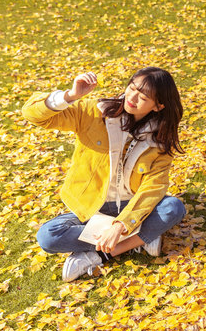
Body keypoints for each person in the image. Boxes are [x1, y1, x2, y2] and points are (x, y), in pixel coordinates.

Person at [22, 67, 187, 282]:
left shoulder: (160, 141)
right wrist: (71, 96)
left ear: (159, 106)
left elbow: (152, 188)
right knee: (48, 236)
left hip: (132, 205)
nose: (132, 98)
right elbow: (32, 115)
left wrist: (120, 226)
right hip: (93, 206)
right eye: (132, 88)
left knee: (173, 208)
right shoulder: (94, 112)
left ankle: (100, 254)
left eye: (143, 97)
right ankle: (142, 237)